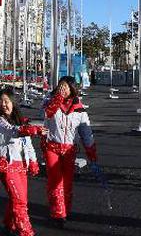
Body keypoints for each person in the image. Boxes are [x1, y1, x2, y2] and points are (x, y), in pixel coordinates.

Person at [41, 76, 97, 228]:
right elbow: (47, 113)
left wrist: (92, 154)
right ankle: (57, 214)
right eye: (61, 86)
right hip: (52, 147)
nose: (63, 89)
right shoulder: (50, 102)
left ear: (72, 88)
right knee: (55, 181)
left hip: (69, 150)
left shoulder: (79, 110)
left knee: (67, 182)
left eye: (66, 86)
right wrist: (57, 99)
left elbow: (86, 133)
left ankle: (65, 209)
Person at [0, 88, 47, 236]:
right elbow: (12, 131)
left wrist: (33, 161)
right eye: (1, 101)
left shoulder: (19, 120)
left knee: (18, 199)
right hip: (7, 165)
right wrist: (32, 130)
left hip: (21, 165)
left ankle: (9, 224)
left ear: (13, 103)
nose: (3, 104)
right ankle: (26, 232)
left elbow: (27, 144)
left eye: (6, 101)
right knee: (20, 201)